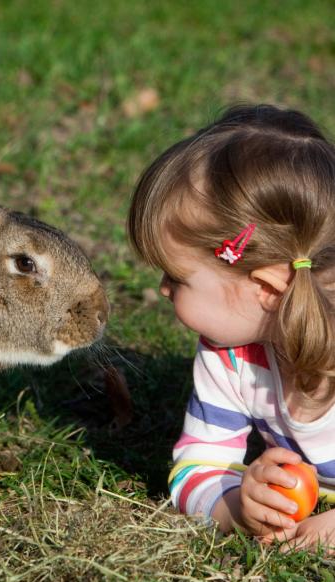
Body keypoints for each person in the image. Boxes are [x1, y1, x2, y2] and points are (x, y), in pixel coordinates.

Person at [127, 104, 335, 551]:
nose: (163, 290)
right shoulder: (228, 356)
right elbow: (197, 467)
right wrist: (237, 506)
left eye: (177, 278)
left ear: (265, 288)